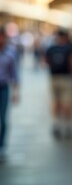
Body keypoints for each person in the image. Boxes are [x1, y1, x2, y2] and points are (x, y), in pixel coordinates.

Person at [45, 30, 72, 139]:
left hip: (54, 77)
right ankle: (67, 125)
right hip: (66, 78)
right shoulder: (69, 48)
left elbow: (45, 62)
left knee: (55, 102)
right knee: (67, 103)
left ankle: (56, 124)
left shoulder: (51, 49)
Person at [0, 27, 19, 161]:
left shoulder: (10, 53)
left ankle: (1, 146)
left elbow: (14, 74)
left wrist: (16, 92)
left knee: (3, 119)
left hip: (3, 88)